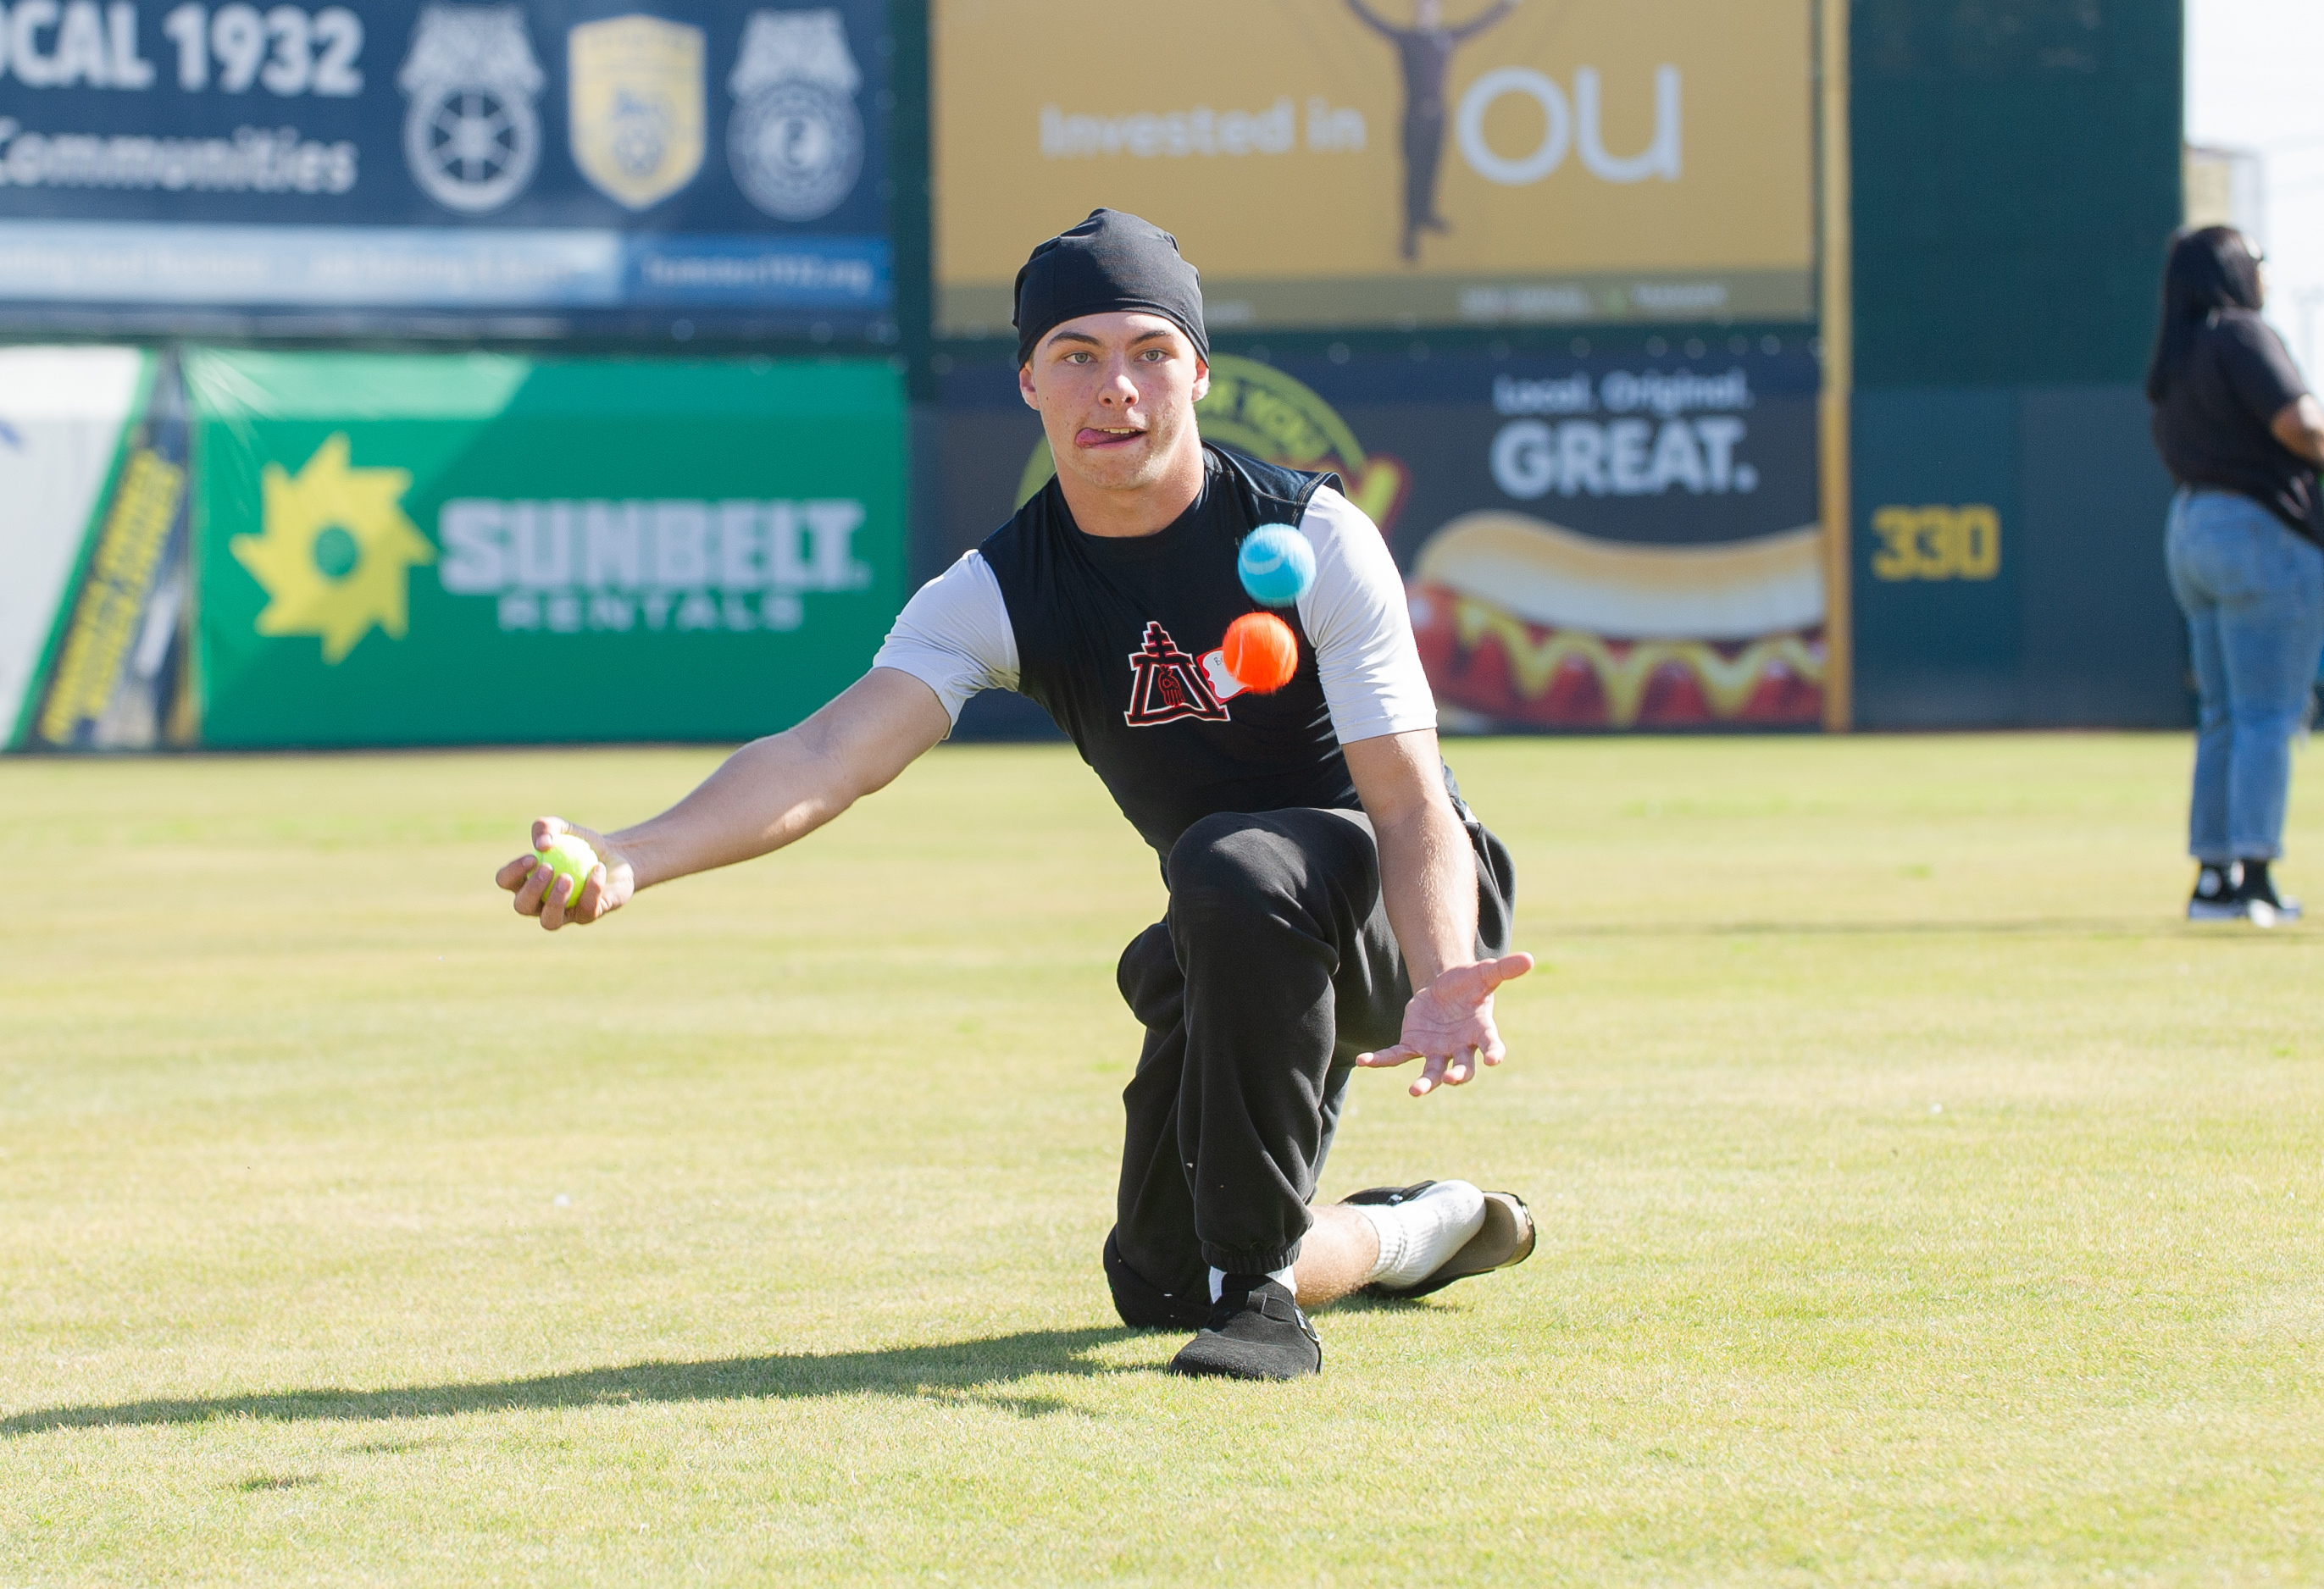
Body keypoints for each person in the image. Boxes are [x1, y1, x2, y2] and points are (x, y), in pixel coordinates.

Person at [495, 209, 1538, 1381]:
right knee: (1153, 1286)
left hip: (1395, 924)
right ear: (1030, 384)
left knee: (1233, 868)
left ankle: (1261, 1305)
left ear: (1197, 371)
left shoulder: (1311, 537)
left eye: (1148, 352)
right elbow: (824, 754)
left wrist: (1448, 970)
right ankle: (1424, 1227)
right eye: (1077, 357)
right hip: (1229, 944)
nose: (1117, 389)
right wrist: (632, 850)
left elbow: (1406, 808)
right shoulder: (1001, 589)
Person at [2148, 225, 2324, 925]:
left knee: (2223, 714)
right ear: (2229, 271)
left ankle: (2214, 878)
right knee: (2265, 715)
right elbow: (2299, 427)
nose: (2263, 273)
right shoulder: (2240, 334)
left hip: (2191, 529)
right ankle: (2254, 878)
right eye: (2255, 260)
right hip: (2256, 532)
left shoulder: (2179, 353)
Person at [1345, 0, 1519, 262]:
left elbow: (1479, 25)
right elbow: (1372, 22)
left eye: (1431, 7)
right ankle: (1409, 234)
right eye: (1422, 8)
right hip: (1414, 116)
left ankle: (1426, 213)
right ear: (1416, 12)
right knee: (1413, 173)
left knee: (1432, 169)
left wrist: (1506, 7)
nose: (1427, 12)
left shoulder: (1445, 38)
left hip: (1437, 116)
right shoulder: (1407, 39)